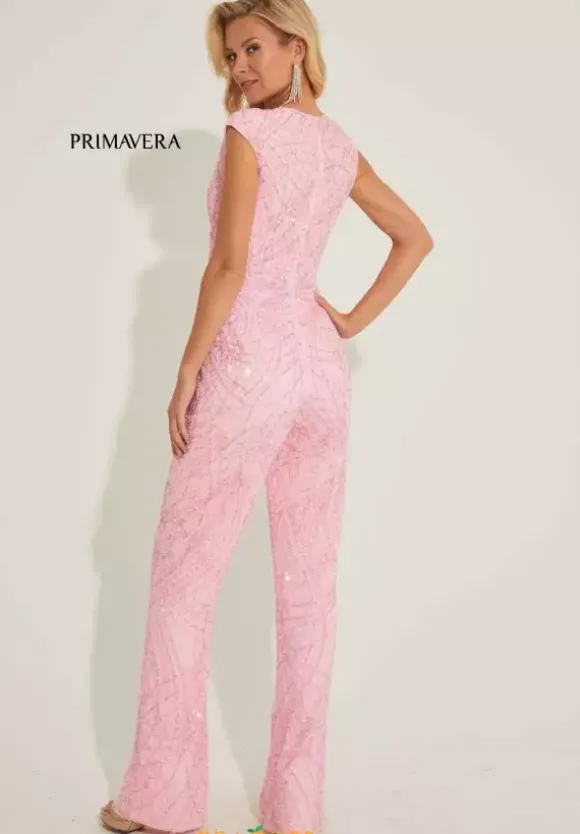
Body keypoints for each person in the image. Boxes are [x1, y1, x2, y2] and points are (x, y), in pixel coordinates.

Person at [99, 1, 433, 833]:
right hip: (320, 374)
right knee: (309, 592)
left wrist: (187, 370)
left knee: (182, 581)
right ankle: (295, 813)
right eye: (230, 56)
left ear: (296, 46)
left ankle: (162, 804)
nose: (240, 68)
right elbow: (414, 238)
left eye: (252, 48)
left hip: (250, 364)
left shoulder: (251, 134)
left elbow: (229, 264)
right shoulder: (339, 147)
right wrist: (345, 322)